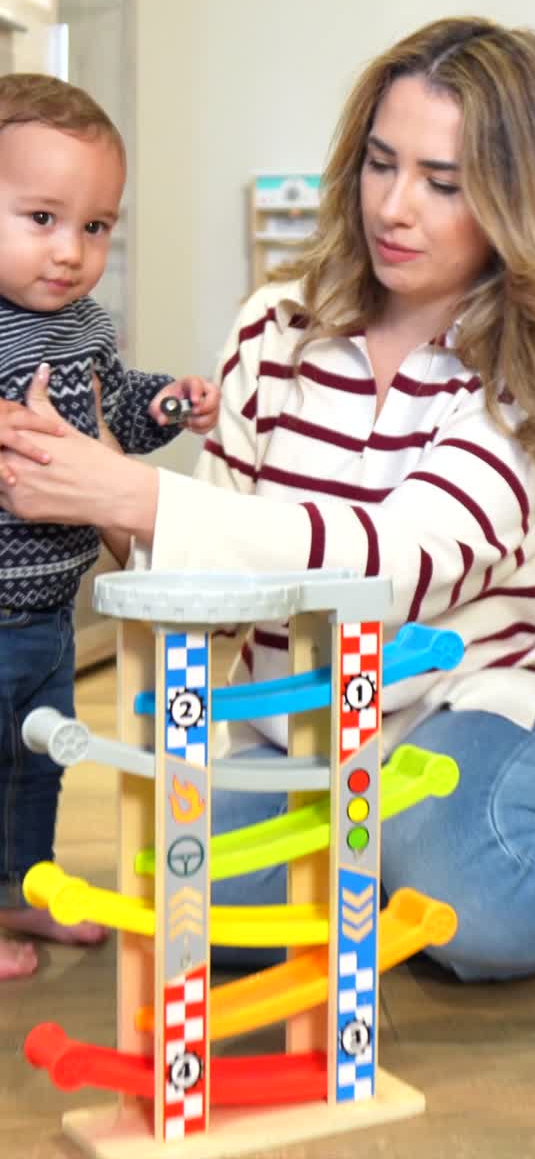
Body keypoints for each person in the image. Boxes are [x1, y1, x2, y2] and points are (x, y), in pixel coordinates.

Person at [1, 18, 535, 984]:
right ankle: (438, 858)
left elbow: (402, 564)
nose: (395, 207)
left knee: (479, 910)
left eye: (444, 182)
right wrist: (102, 506)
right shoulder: (275, 327)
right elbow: (215, 572)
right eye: (381, 164)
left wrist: (136, 492)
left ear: (521, 199)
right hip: (302, 732)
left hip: (474, 704)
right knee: (180, 901)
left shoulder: (533, 365)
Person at [0, 73, 220, 979]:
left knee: (40, 757)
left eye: (95, 228)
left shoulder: (84, 325)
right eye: (42, 219)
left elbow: (113, 414)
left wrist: (166, 401)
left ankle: (21, 888)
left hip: (51, 610)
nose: (70, 252)